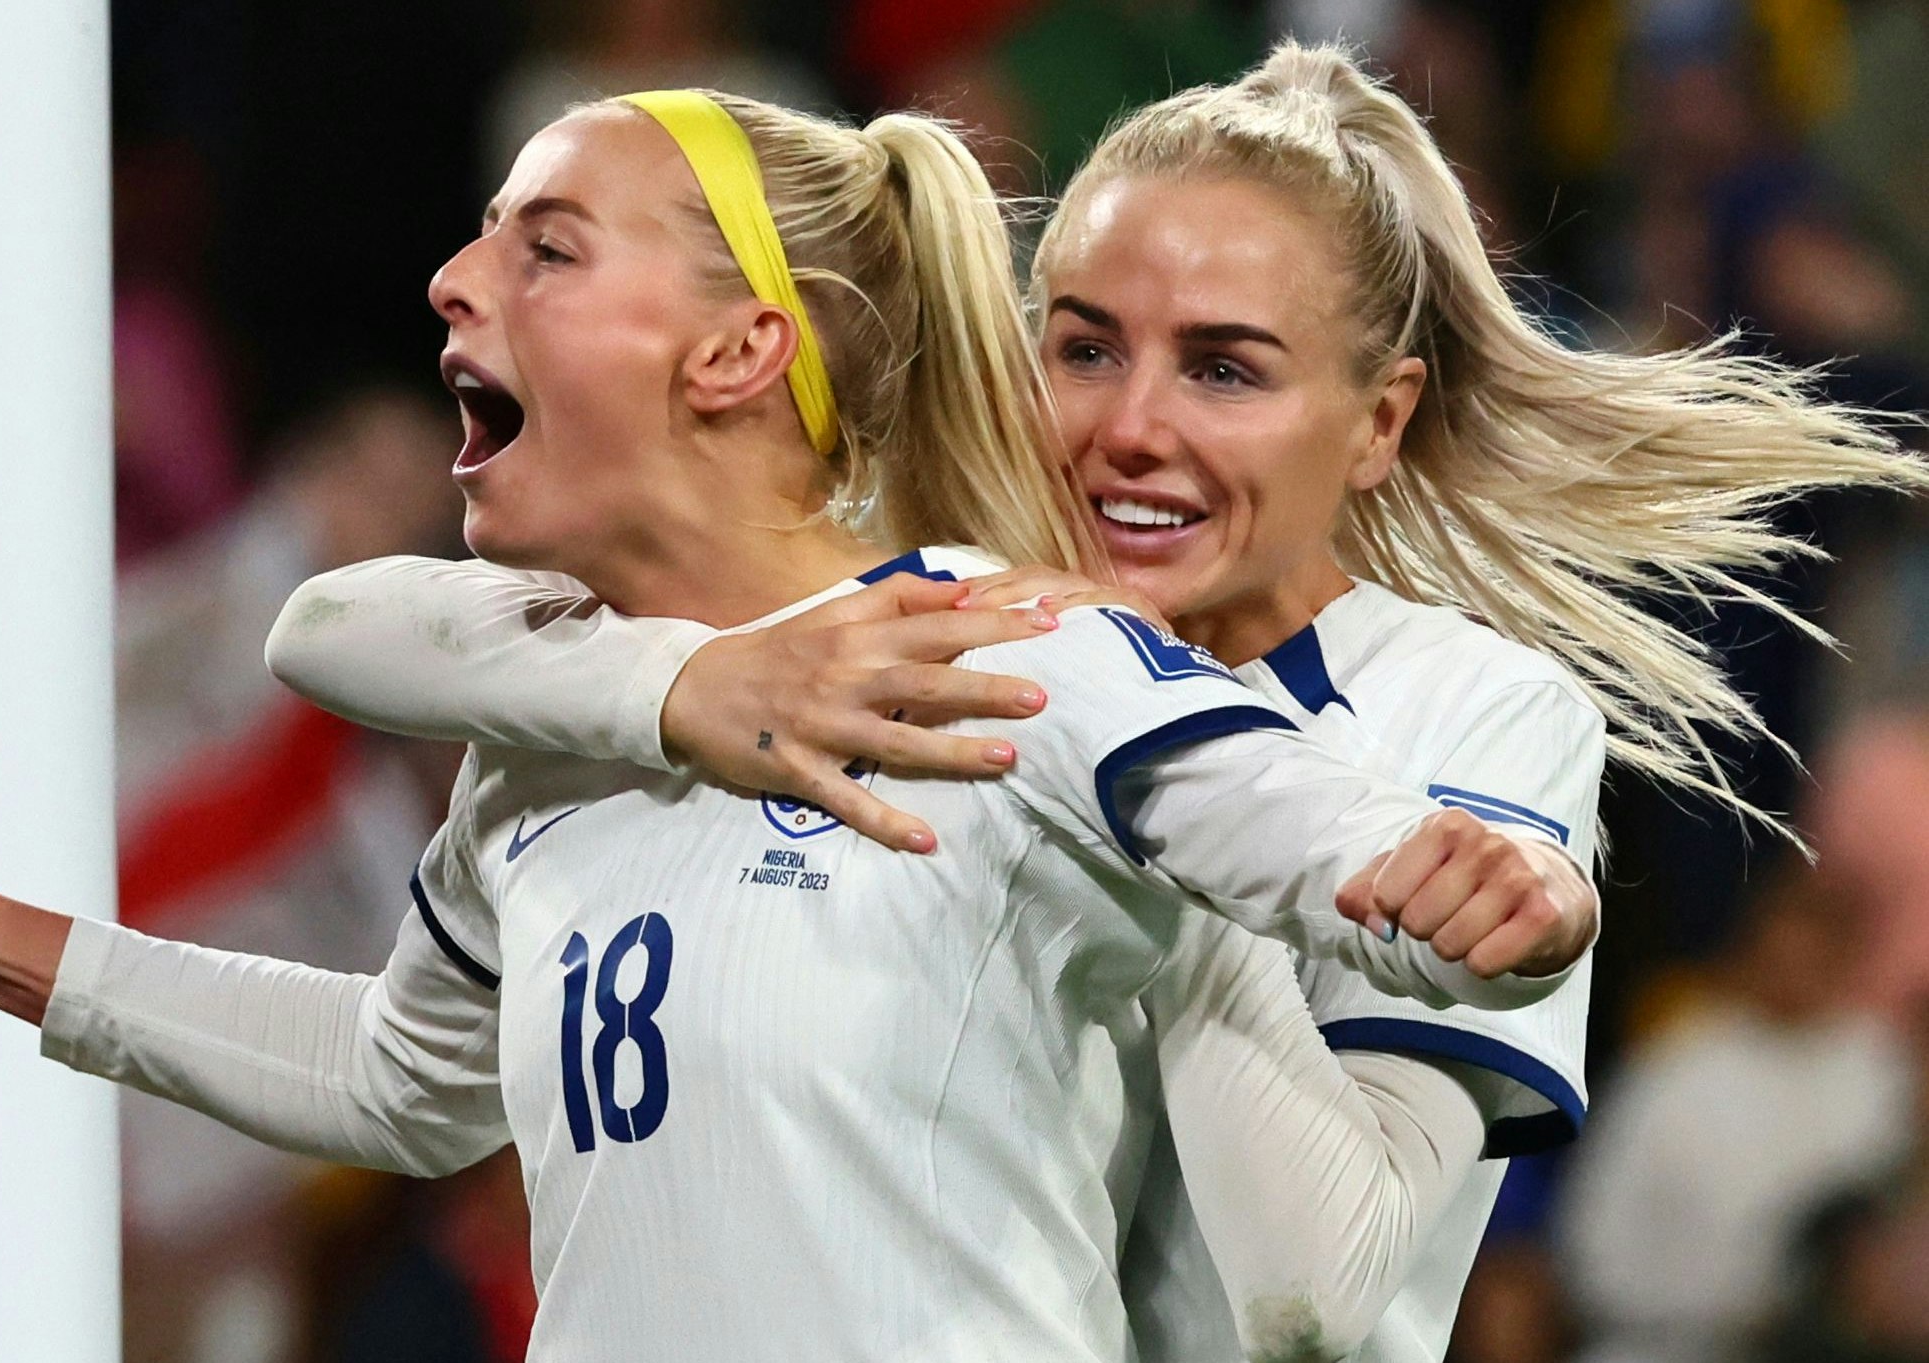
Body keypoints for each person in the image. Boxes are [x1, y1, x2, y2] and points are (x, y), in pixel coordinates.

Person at [0, 88, 1595, 1361]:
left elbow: (1290, 825)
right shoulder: (549, 746)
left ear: (735, 353)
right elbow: (395, 1077)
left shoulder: (1004, 655)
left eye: (546, 248)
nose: (458, 282)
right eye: (1084, 345)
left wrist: (1449, 880)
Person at [265, 45, 1929, 1363]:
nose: (1129, 428)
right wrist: (695, 678)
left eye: (1221, 368)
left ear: (1376, 419)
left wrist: (1155, 796)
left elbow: (1311, 1311)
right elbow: (365, 627)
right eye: (1081, 348)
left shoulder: (1470, 714)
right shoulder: (944, 633)